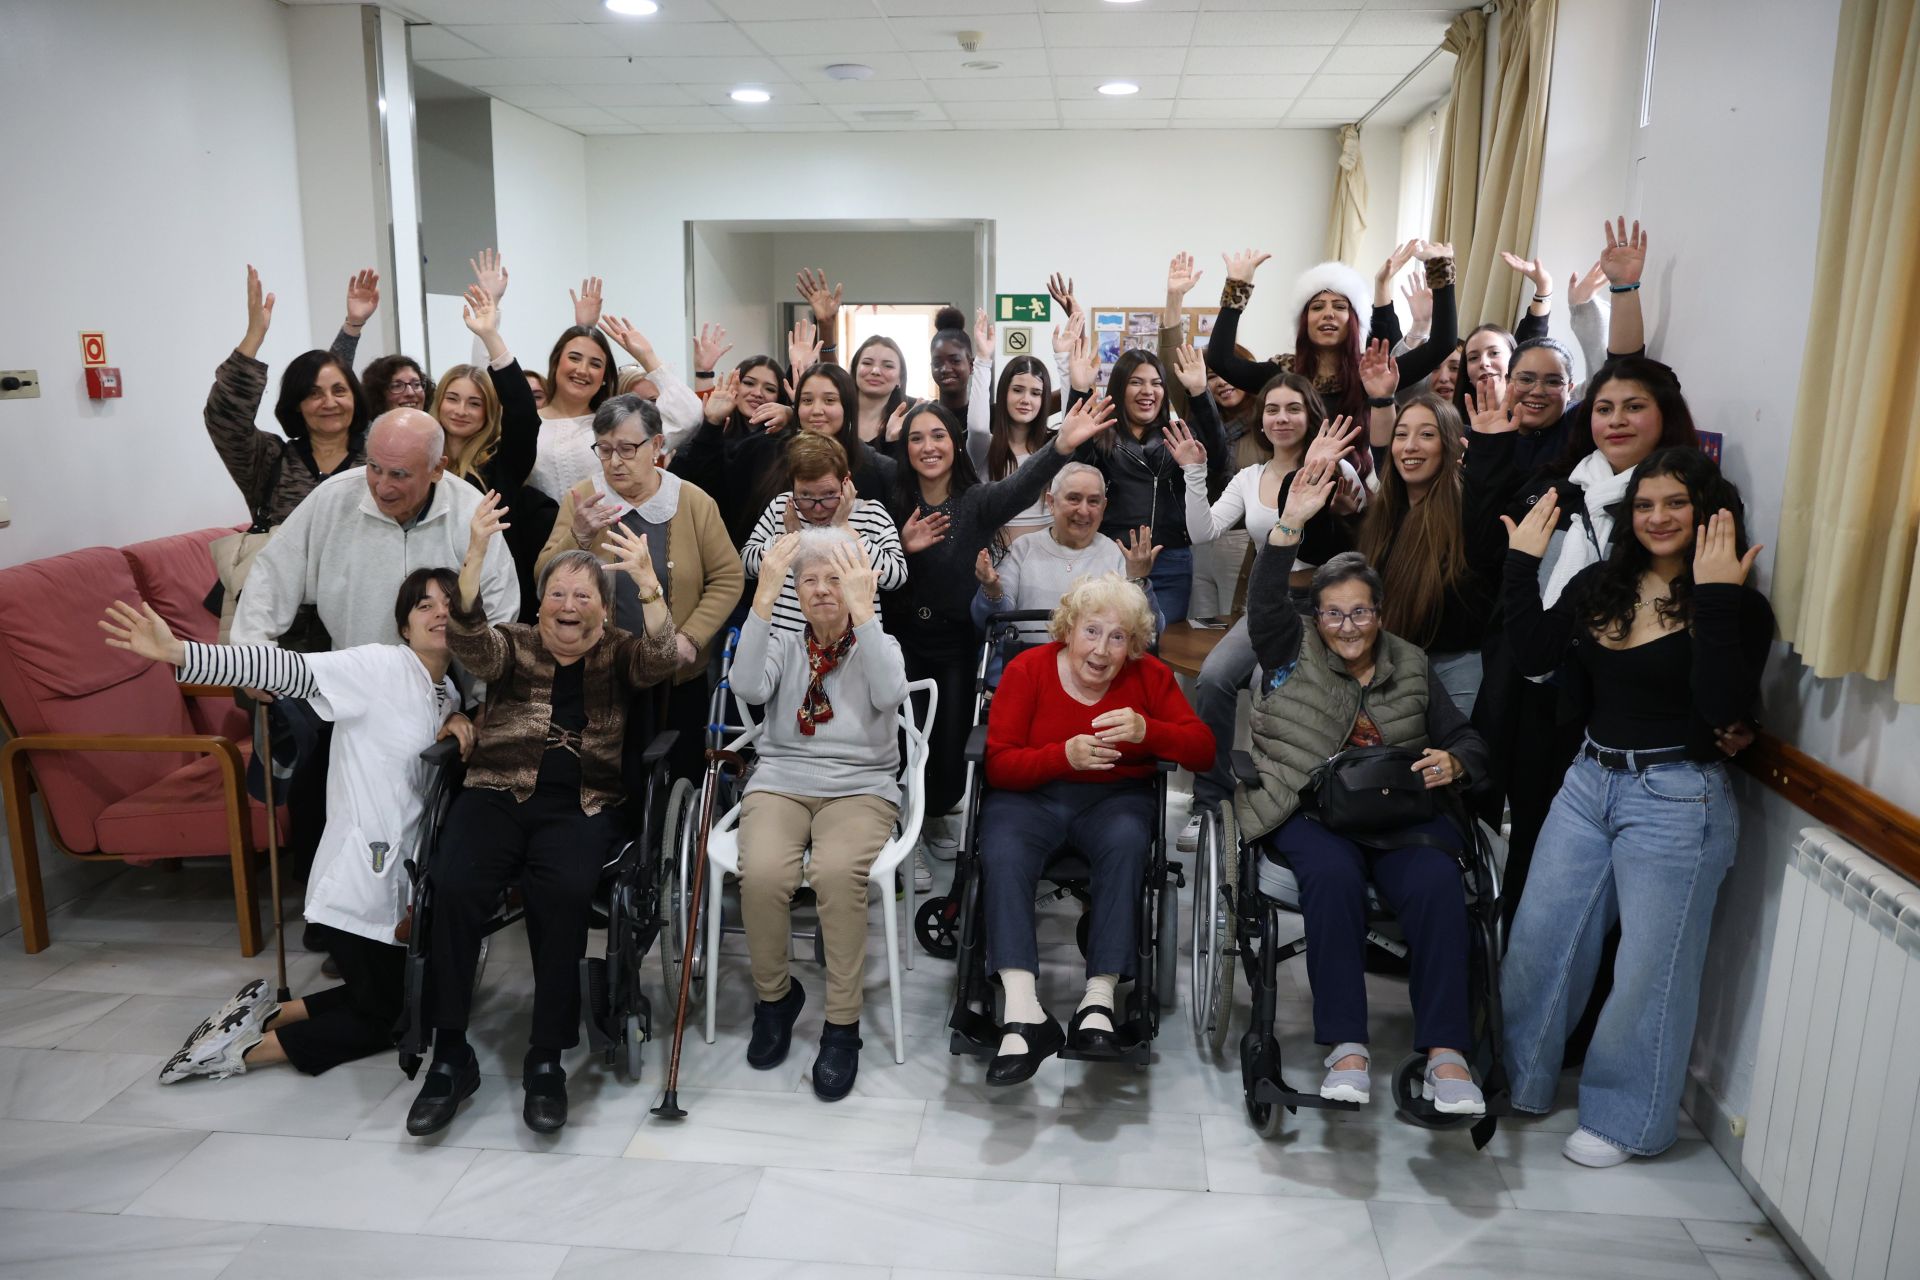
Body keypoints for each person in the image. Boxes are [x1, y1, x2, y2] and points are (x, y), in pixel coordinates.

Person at [1498, 449, 1771, 1166]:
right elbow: (1532, 651)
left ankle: (1625, 1120)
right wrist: (1522, 561)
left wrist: (1713, 598)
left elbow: (1723, 707)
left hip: (1677, 798)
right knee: (1539, 939)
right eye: (1645, 505)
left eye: (1675, 503)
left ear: (1709, 511)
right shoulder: (1602, 585)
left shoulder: (1736, 602)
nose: (1657, 518)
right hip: (1589, 781)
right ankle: (1518, 1079)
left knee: (1650, 970)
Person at [101, 570, 472, 1083]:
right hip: (358, 878)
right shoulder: (379, 666)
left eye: (450, 603)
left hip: (398, 881)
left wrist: (456, 717)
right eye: (424, 605)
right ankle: (236, 1055)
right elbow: (287, 668)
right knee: (389, 1019)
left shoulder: (445, 690)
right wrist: (184, 654)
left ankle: (261, 1017)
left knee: (409, 999)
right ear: (404, 627)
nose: (440, 614)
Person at [409, 493, 680, 1137]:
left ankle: (545, 1058)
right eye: (558, 594)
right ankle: (449, 1054)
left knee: (561, 893)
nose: (567, 607)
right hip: (495, 792)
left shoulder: (619, 652)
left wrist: (647, 585)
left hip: (583, 805)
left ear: (602, 608)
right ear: (540, 602)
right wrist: (474, 553)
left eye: (583, 596)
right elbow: (468, 638)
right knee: (454, 886)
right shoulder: (513, 646)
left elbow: (666, 655)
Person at [1236, 468, 1494, 1115]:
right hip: (1310, 807)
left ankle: (1447, 1055)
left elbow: (1466, 739)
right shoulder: (1290, 647)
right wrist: (1290, 523)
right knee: (1333, 878)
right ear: (1315, 615)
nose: (1347, 626)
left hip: (1400, 811)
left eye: (1360, 612)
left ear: (1379, 613)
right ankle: (1347, 1050)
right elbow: (1265, 601)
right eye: (1334, 613)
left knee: (1437, 882)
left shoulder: (1410, 662)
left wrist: (1455, 765)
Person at [978, 574, 1214, 1083]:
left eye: (1118, 636)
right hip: (1030, 800)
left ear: (1133, 644)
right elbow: (999, 765)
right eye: (1092, 631)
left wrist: (1149, 730)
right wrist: (1061, 756)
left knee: (1130, 840)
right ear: (1069, 629)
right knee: (1000, 846)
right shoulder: (1028, 669)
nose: (1102, 649)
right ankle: (1024, 1015)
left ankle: (1098, 1002)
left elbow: (1203, 749)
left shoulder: (1149, 677)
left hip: (1113, 802)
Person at [882, 396, 1115, 876]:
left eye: (938, 435)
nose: (928, 447)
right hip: (899, 640)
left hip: (958, 641)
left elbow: (1020, 485)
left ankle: (934, 816)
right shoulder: (892, 497)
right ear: (904, 448)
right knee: (903, 741)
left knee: (949, 745)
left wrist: (1061, 446)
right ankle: (905, 832)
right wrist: (903, 548)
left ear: (956, 443)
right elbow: (874, 565)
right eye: (916, 438)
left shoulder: (976, 501)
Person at [729, 529, 908, 1100]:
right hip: (782, 779)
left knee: (834, 874)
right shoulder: (782, 641)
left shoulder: (880, 641)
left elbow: (888, 695)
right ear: (795, 591)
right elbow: (746, 685)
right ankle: (775, 999)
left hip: (861, 787)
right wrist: (763, 598)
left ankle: (843, 1025)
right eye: (810, 580)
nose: (823, 590)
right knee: (762, 875)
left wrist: (867, 613)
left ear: (858, 586)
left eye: (836, 579)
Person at [1179, 383, 1366, 825]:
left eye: (1294, 409)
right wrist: (1193, 473)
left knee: (1272, 685)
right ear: (1261, 420)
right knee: (1214, 678)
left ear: (1311, 415)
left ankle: (1274, 800)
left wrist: (1336, 497)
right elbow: (1202, 531)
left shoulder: (1337, 468)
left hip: (1323, 611)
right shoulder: (1249, 477)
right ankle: (1211, 802)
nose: (1282, 418)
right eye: (1273, 410)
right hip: (1269, 604)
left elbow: (1358, 538)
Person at [538, 394, 743, 783]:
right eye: (604, 449)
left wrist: (690, 638)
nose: (615, 462)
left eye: (628, 449)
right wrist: (578, 536)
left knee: (676, 777)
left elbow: (728, 577)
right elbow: (544, 579)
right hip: (595, 672)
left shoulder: (692, 502)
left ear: (657, 446)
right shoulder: (583, 499)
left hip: (675, 675)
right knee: (596, 781)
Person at [233, 410, 520, 650]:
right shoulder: (333, 498)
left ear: (437, 469)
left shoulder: (470, 511)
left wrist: (485, 698)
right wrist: (253, 655)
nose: (382, 487)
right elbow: (273, 574)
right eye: (374, 467)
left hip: (452, 692)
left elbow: (499, 608)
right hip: (355, 683)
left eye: (399, 474)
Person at [1319, 379, 1508, 716]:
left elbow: (1483, 550)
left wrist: (1491, 449)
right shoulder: (1384, 513)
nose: (1410, 446)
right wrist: (1351, 520)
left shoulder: (1468, 511)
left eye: (1427, 435)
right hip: (1390, 662)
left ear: (1449, 445)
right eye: (1402, 434)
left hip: (1455, 666)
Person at [1204, 241, 1458, 468]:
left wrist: (1440, 273)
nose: (1328, 313)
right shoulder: (1282, 373)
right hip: (1290, 494)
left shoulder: (1373, 375)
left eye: (1339, 306)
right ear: (1304, 321)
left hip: (1359, 498)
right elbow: (1221, 361)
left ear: (1354, 321)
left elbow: (1441, 345)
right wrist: (1237, 289)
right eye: (1317, 307)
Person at [203, 265, 376, 533]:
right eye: (313, 394)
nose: (329, 402)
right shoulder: (270, 461)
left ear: (355, 397)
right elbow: (225, 420)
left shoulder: (380, 461)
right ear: (297, 403)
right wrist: (253, 337)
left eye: (339, 391)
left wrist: (353, 326)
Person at [1069, 343, 1228, 624]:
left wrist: (1200, 393)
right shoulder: (1101, 434)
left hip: (1171, 560)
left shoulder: (1178, 434)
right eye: (1136, 382)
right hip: (1112, 557)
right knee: (1110, 637)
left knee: (1160, 643)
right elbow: (1072, 455)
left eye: (1156, 383)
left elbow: (1218, 457)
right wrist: (1079, 390)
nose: (1147, 391)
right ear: (1119, 388)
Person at [435, 282, 556, 621]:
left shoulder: (501, 465)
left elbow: (523, 416)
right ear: (438, 401)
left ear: (488, 412)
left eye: (474, 403)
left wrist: (491, 337)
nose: (461, 410)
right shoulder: (422, 460)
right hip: (428, 592)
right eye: (453, 398)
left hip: (491, 596)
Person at [972, 462, 1165, 674]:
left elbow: (1151, 632)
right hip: (1025, 671)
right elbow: (989, 623)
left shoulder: (1116, 555)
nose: (1083, 511)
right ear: (1051, 502)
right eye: (1074, 499)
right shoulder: (1023, 549)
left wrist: (1138, 579)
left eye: (1093, 501)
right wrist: (992, 590)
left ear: (1104, 507)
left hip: (1096, 677)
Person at [741, 434, 907, 634]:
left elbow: (896, 577)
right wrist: (791, 539)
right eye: (805, 496)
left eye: (829, 495)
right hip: (784, 643)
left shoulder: (871, 513)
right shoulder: (781, 507)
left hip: (853, 647)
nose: (817, 509)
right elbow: (745, 565)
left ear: (846, 481)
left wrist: (844, 530)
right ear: (792, 484)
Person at [671, 354, 796, 547]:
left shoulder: (782, 445)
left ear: (779, 398)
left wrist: (793, 415)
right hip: (711, 546)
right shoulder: (712, 435)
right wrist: (711, 424)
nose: (757, 393)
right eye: (749, 383)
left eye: (769, 389)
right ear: (735, 386)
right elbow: (687, 484)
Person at [527, 278, 619, 500]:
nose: (582, 370)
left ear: (605, 377)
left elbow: (686, 418)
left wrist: (646, 356)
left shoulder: (612, 426)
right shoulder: (528, 426)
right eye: (574, 358)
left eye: (595, 364)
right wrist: (583, 329)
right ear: (556, 363)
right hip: (539, 533)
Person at [967, 354, 1058, 540]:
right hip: (994, 563)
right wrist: (983, 361)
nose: (1026, 399)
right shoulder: (985, 447)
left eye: (1035, 393)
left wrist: (1064, 359)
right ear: (1004, 393)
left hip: (1044, 562)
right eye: (1017, 390)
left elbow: (1073, 424)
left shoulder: (1053, 448)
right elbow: (977, 428)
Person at [599, 313, 706, 448]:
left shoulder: (659, 441)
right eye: (635, 403)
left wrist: (649, 359)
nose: (644, 409)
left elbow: (691, 417)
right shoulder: (607, 441)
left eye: (653, 401)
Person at [362, 354, 432, 418]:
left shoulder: (435, 429)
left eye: (416, 384)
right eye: (397, 386)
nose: (410, 393)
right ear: (378, 395)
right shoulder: (372, 431)